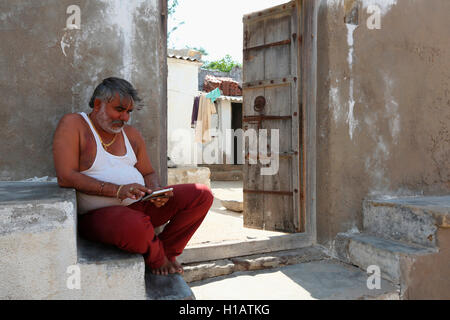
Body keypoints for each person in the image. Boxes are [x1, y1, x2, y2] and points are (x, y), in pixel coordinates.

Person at [53, 77, 213, 275]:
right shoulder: (74, 124)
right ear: (97, 105)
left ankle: (168, 252)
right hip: (99, 217)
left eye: (128, 112)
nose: (125, 117)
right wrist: (118, 190)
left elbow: (148, 172)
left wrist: (155, 192)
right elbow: (66, 176)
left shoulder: (131, 134)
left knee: (201, 195)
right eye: (119, 109)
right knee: (134, 226)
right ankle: (157, 259)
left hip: (140, 206)